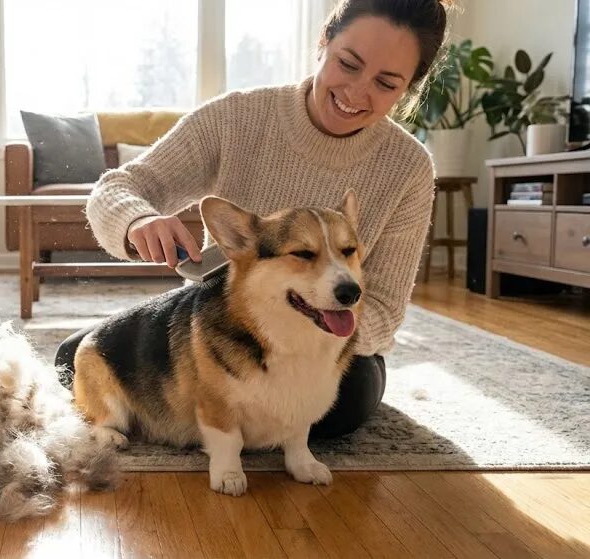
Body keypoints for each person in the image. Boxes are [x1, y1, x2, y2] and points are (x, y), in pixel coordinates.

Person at [56, 0, 452, 438]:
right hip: (221, 332)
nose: (357, 93)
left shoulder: (408, 168)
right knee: (74, 360)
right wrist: (136, 221)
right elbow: (118, 187)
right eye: (348, 64)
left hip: (329, 343)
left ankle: (211, 417)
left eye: (386, 83)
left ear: (408, 89)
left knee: (347, 400)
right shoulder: (237, 118)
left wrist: (294, 343)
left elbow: (383, 310)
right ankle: (215, 414)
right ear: (323, 42)